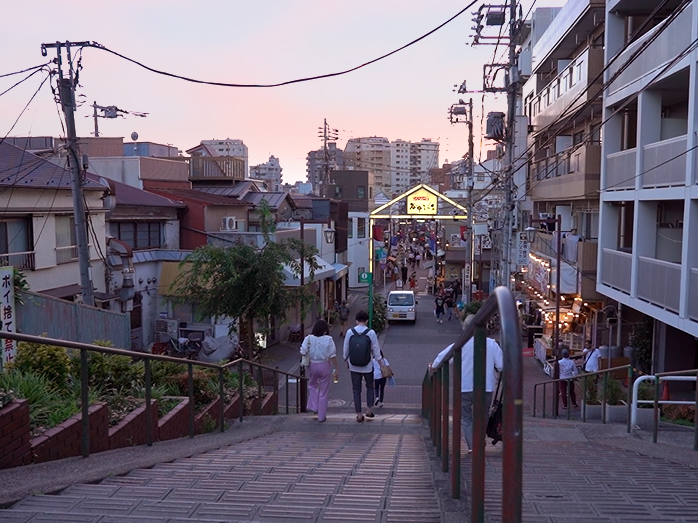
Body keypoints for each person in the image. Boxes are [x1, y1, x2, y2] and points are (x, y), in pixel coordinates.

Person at [431, 317, 504, 451]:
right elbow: (501, 365)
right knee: (482, 415)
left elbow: (442, 358)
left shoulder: (461, 343)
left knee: (466, 417)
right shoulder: (491, 344)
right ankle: (479, 441)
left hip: (464, 386)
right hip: (485, 387)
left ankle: (472, 445)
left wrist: (433, 366)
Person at [343, 310, 382, 422]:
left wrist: (346, 360)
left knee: (356, 390)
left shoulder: (350, 332)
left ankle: (359, 414)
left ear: (356, 320)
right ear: (366, 320)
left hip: (354, 365)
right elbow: (376, 351)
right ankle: (369, 410)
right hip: (367, 366)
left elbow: (346, 349)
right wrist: (381, 365)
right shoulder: (371, 333)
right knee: (370, 386)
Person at [300, 319, 340, 422]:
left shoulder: (308, 339)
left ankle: (314, 406)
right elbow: (332, 355)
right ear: (325, 331)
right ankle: (321, 416)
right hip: (324, 365)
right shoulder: (329, 339)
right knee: (324, 390)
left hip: (312, 365)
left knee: (312, 385)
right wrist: (336, 368)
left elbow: (303, 351)